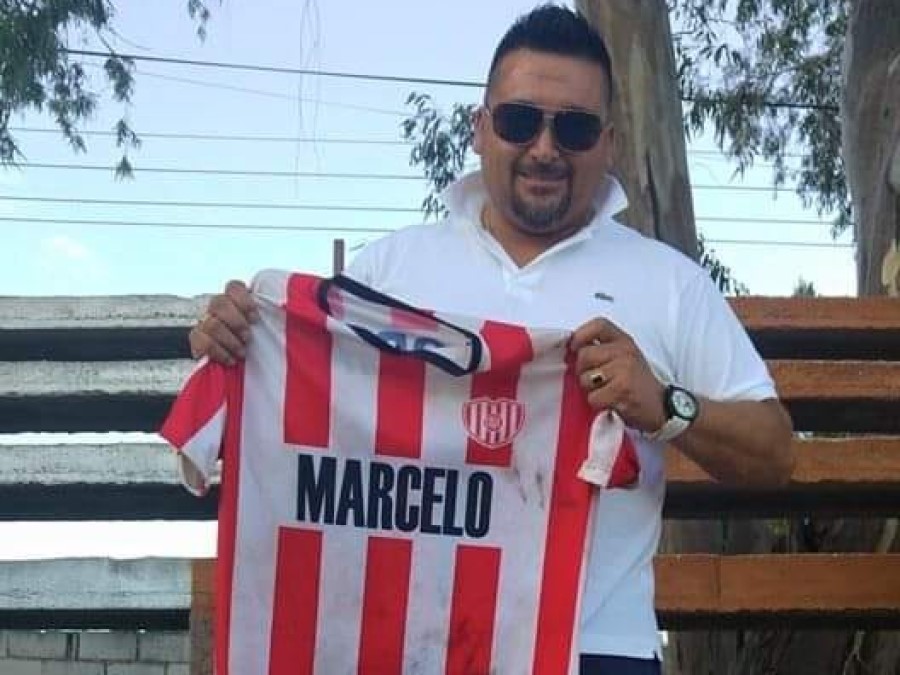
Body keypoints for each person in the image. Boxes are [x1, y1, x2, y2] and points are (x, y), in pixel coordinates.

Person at [188, 5, 794, 674]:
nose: (545, 148)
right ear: (480, 129)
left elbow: (775, 453)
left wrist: (667, 405)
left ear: (610, 143)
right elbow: (300, 419)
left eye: (574, 128)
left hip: (593, 646)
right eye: (518, 120)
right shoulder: (391, 269)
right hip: (401, 641)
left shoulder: (669, 282)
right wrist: (238, 346)